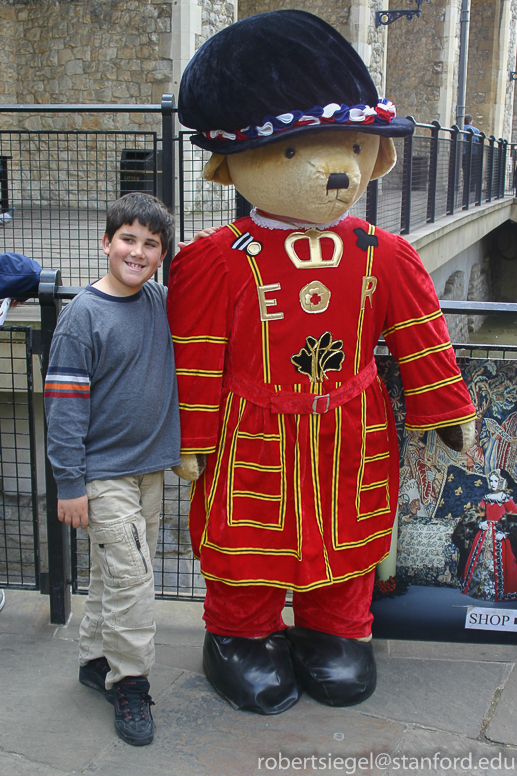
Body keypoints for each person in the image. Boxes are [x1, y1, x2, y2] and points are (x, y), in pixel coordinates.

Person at [44, 192, 180, 747]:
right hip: (102, 475)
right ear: (106, 242)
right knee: (133, 582)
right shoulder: (82, 317)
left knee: (113, 574)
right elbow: (64, 410)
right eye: (128, 238)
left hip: (149, 469)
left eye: (151, 244)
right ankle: (131, 683)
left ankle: (94, 657)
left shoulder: (157, 301)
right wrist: (70, 484)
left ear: (162, 254)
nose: (138, 251)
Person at [454, 469, 517, 601]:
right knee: (478, 560)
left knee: (500, 562)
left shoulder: (506, 499)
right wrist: (480, 523)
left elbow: (514, 517)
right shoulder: (486, 498)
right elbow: (478, 513)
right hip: (484, 534)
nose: (493, 484)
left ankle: (497, 591)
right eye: (492, 481)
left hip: (498, 536)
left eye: (496, 481)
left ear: (503, 483)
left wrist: (505, 534)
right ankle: (478, 589)